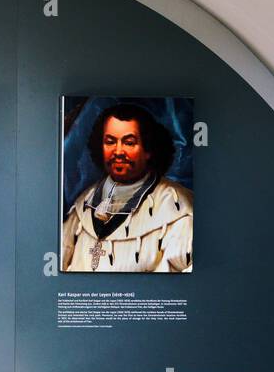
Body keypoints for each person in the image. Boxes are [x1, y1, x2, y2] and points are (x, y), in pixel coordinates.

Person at [62, 103, 193, 272]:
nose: (118, 151)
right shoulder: (83, 203)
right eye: (110, 142)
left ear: (148, 149)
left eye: (129, 143)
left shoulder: (177, 208)